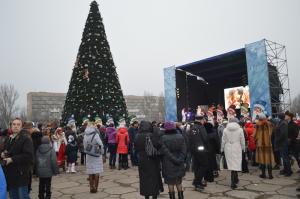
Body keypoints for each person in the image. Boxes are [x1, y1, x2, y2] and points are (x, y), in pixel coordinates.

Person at [1, 118, 34, 199]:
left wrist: (12, 159)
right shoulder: (9, 138)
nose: (16, 126)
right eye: (14, 124)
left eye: (18, 124)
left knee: (23, 196)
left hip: (21, 174)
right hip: (10, 174)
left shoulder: (26, 138)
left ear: (21, 127)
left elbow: (28, 156)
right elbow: (7, 151)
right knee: (13, 196)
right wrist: (3, 154)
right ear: (11, 126)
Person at [134, 121, 163, 199]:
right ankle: (154, 196)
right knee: (154, 178)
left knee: (144, 179)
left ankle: (146, 196)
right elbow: (158, 145)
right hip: (152, 159)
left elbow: (135, 148)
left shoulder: (137, 136)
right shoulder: (151, 135)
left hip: (142, 160)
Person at [160, 121, 186, 199]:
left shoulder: (163, 138)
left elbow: (164, 151)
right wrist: (180, 159)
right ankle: (181, 197)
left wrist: (173, 158)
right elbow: (184, 150)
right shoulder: (180, 136)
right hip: (179, 162)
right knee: (179, 182)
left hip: (168, 163)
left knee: (170, 183)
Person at [221, 118, 245, 189]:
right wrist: (243, 147)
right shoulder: (240, 129)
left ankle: (235, 179)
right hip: (237, 147)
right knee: (236, 163)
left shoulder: (225, 129)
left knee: (231, 164)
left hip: (228, 147)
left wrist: (222, 148)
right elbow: (242, 139)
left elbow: (223, 140)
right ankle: (233, 182)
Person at [189, 116, 210, 191]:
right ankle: (197, 181)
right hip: (202, 150)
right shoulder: (201, 127)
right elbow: (205, 138)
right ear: (201, 120)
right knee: (204, 165)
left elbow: (190, 139)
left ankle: (198, 182)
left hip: (194, 150)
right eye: (203, 120)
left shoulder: (192, 127)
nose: (204, 121)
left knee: (197, 166)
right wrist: (207, 148)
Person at [83, 121, 104, 193]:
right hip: (96, 154)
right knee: (97, 171)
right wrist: (102, 152)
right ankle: (96, 188)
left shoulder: (85, 135)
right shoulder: (96, 135)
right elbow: (101, 144)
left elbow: (84, 145)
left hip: (89, 155)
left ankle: (91, 187)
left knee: (90, 171)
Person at [255, 113, 275, 179]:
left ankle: (263, 174)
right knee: (268, 159)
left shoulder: (257, 124)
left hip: (260, 144)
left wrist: (256, 140)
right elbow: (272, 130)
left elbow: (255, 134)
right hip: (268, 144)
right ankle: (270, 175)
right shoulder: (269, 124)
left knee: (262, 160)